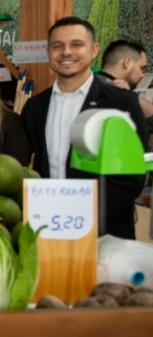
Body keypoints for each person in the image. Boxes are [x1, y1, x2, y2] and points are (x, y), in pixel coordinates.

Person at [22, 17, 147, 240]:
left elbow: (131, 178)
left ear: (94, 50)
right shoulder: (35, 107)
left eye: (76, 44)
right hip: (49, 227)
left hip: (105, 232)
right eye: (57, 46)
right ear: (48, 52)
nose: (66, 52)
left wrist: (81, 214)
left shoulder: (121, 103)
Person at [98, 40, 153, 118]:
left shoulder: (90, 84)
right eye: (141, 68)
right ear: (127, 63)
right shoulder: (112, 92)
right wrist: (128, 95)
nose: (142, 75)